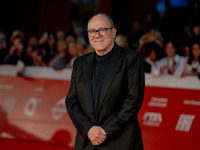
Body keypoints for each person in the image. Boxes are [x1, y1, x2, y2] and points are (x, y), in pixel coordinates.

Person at [65, 13, 145, 150]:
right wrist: (89, 129)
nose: (97, 35)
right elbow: (71, 101)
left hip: (121, 142)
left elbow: (133, 100)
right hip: (87, 142)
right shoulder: (80, 63)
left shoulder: (131, 59)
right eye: (91, 31)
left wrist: (104, 131)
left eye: (102, 30)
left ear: (113, 32)